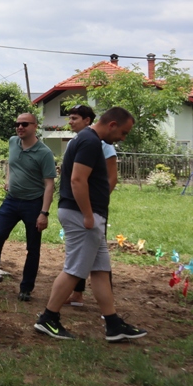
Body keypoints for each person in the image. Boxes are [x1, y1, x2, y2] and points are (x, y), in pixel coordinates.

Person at [35, 107, 147, 341]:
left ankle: (113, 324)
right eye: (123, 132)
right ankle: (48, 318)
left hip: (86, 215)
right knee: (75, 268)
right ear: (112, 125)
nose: (122, 138)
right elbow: (77, 179)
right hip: (81, 215)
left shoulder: (87, 139)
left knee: (100, 270)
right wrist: (88, 215)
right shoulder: (90, 141)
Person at [0, 113, 56, 302]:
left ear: (34, 126)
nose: (19, 127)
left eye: (24, 124)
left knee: (33, 247)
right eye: (17, 124)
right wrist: (9, 179)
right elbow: (11, 163)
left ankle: (26, 288)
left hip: (33, 204)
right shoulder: (13, 141)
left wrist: (44, 213)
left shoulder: (44, 153)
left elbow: (49, 185)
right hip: (11, 201)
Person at [63, 104, 119, 307]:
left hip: (91, 209)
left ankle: (107, 307)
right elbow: (74, 178)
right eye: (70, 118)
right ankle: (76, 295)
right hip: (80, 208)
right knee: (85, 257)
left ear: (88, 120)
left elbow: (111, 178)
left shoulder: (104, 144)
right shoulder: (79, 141)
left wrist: (96, 203)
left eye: (75, 118)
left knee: (97, 258)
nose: (71, 121)